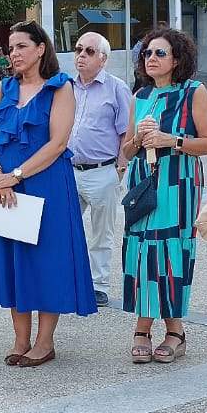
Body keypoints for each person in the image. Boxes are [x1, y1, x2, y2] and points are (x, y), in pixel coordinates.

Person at [0, 22, 95, 367]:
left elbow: (58, 143)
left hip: (45, 184)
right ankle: (20, 339)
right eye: (11, 47)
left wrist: (15, 175)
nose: (14, 53)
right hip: (2, 185)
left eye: (22, 46)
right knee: (13, 260)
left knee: (46, 260)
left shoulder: (60, 88)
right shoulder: (2, 87)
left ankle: (44, 343)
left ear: (41, 48)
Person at [122, 28, 207, 364]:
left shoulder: (193, 92)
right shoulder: (140, 96)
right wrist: (137, 140)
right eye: (147, 53)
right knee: (141, 250)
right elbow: (126, 150)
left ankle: (172, 329)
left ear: (177, 59)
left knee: (171, 251)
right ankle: (145, 326)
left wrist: (170, 140)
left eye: (160, 53)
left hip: (178, 182)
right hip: (144, 181)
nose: (151, 59)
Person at [67, 32, 133, 307]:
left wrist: (119, 167)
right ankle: (70, 278)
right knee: (67, 228)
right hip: (69, 170)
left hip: (102, 171)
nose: (82, 55)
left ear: (103, 59)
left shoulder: (117, 89)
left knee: (101, 232)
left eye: (89, 51)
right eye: (79, 49)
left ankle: (98, 284)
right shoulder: (67, 87)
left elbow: (126, 132)